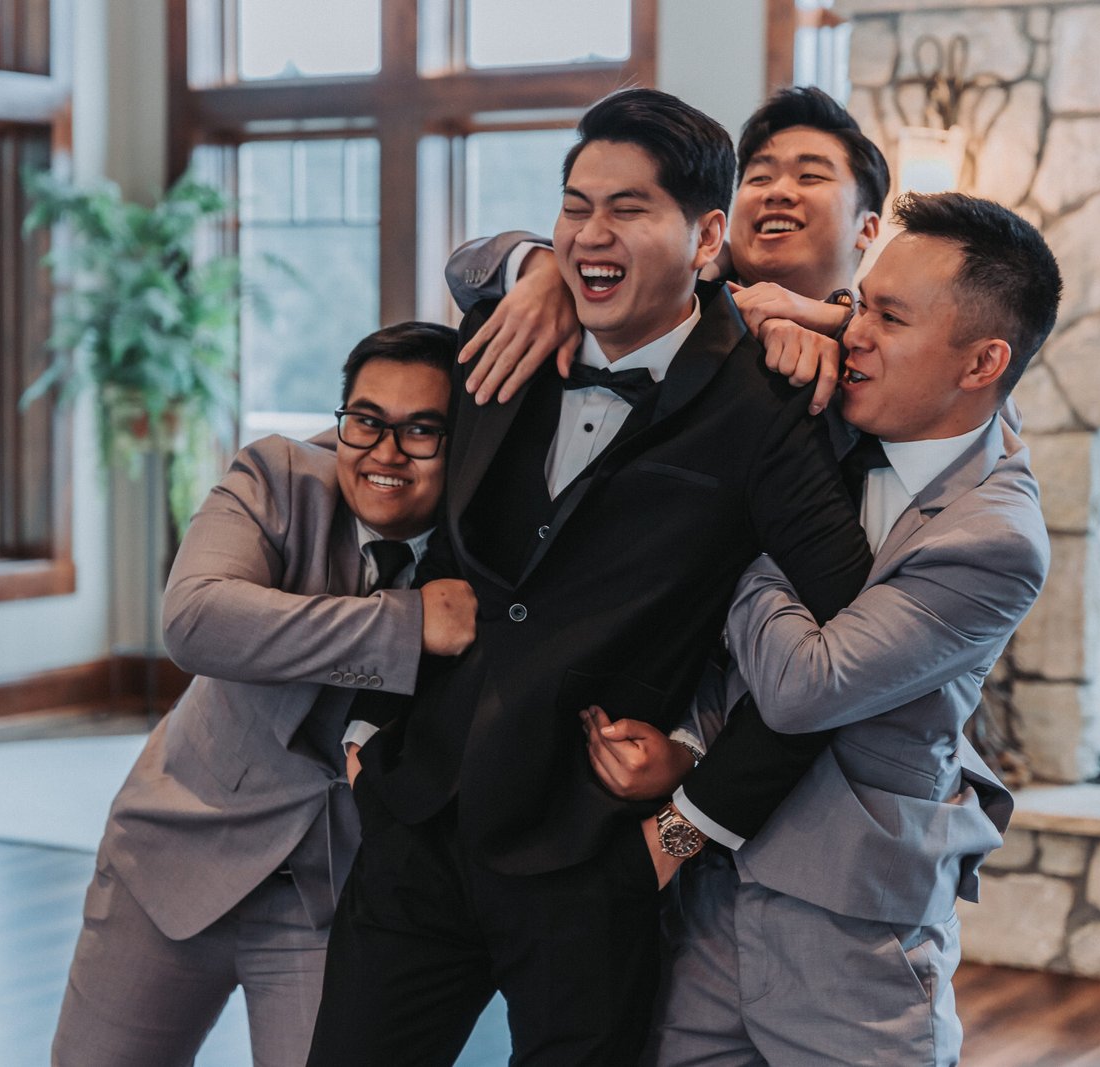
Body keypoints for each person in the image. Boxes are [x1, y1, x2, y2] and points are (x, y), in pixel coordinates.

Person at [306, 87, 872, 1066]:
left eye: (626, 208)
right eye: (576, 206)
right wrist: (367, 733)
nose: (590, 233)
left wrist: (687, 827)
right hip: (414, 826)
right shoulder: (509, 337)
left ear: (706, 238)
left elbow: (851, 648)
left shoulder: (767, 405)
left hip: (593, 863)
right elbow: (447, 546)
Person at [587, 191, 1061, 1066]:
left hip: (851, 929)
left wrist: (755, 513)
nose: (854, 334)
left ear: (982, 362)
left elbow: (805, 686)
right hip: (705, 897)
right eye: (857, 306)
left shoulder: (995, 537)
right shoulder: (850, 403)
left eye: (888, 317)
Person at [51, 322, 476, 1067]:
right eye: (366, 420)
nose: (384, 452)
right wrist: (405, 626)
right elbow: (195, 618)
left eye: (420, 431)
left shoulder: (488, 551)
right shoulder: (277, 478)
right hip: (175, 859)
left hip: (334, 901)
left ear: (463, 444)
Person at [448, 86, 888, 414]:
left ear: (867, 227)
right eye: (759, 178)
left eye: (810, 177)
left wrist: (842, 322)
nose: (777, 192)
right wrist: (541, 269)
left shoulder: (880, 343)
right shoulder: (673, 293)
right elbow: (465, 265)